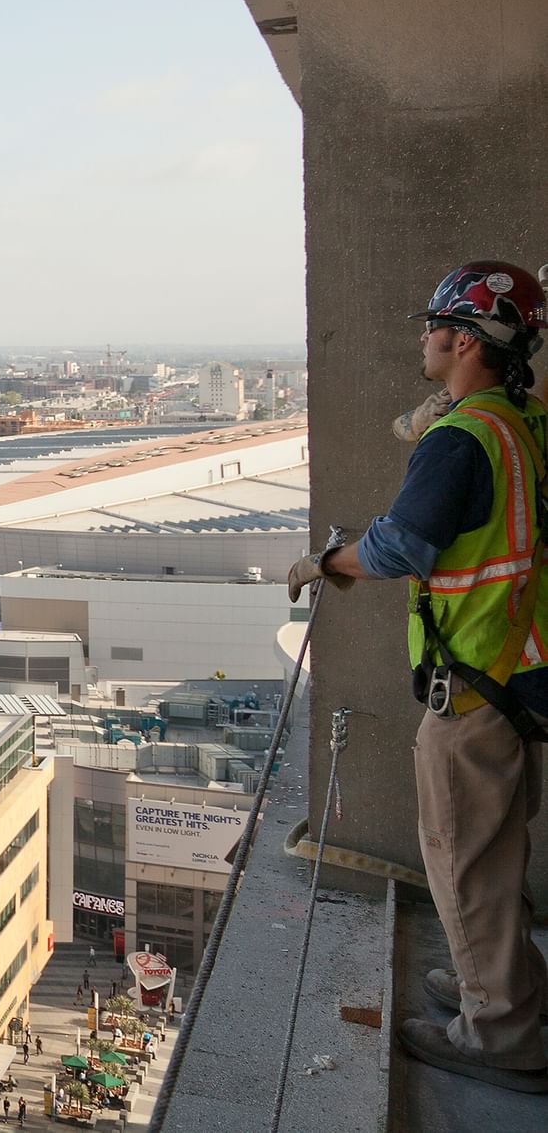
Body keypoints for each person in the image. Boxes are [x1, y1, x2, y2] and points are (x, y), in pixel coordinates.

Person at [289, 260, 548, 1095]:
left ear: (463, 339)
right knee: (496, 851)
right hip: (515, 672)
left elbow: (403, 548)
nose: (423, 338)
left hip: (471, 686)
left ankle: (498, 1029)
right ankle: (503, 983)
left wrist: (326, 559)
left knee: (464, 859)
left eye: (434, 325)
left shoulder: (462, 437)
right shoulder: (523, 421)